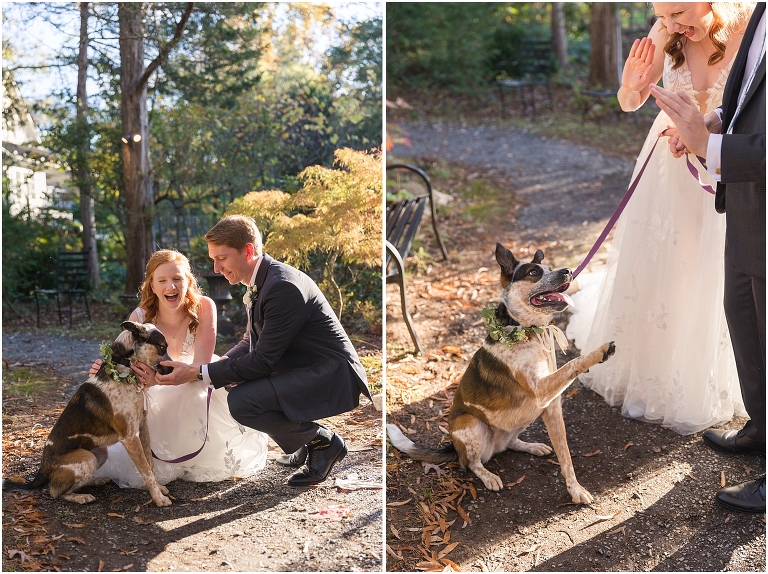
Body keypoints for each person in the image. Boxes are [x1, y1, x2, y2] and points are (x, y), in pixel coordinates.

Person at [566, 2, 754, 435]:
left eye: (680, 12)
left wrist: (706, 137)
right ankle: (660, 369)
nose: (670, 25)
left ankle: (721, 375)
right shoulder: (664, 30)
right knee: (671, 263)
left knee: (724, 268)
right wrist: (631, 88)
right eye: (663, 15)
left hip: (729, 159)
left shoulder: (751, 26)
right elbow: (629, 101)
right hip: (669, 164)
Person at [134, 215, 372, 486]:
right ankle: (303, 441)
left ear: (247, 251)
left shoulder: (282, 286)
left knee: (243, 401)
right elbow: (250, 340)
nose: (216, 267)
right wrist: (218, 365)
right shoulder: (264, 280)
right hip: (301, 366)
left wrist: (202, 372)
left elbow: (261, 361)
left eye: (221, 258)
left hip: (328, 374)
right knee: (232, 386)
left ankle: (324, 442)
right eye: (213, 259)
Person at [651, 1, 765, 513]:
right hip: (746, 208)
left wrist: (711, 147)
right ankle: (762, 429)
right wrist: (710, 122)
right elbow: (744, 91)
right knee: (744, 321)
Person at [92, 249, 269, 488]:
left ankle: (194, 455)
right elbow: (129, 366)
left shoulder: (205, 307)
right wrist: (107, 371)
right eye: (162, 280)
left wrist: (157, 379)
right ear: (152, 286)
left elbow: (200, 366)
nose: (171, 287)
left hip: (196, 380)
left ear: (188, 281)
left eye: (177, 279)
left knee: (189, 394)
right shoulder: (141, 317)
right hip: (155, 388)